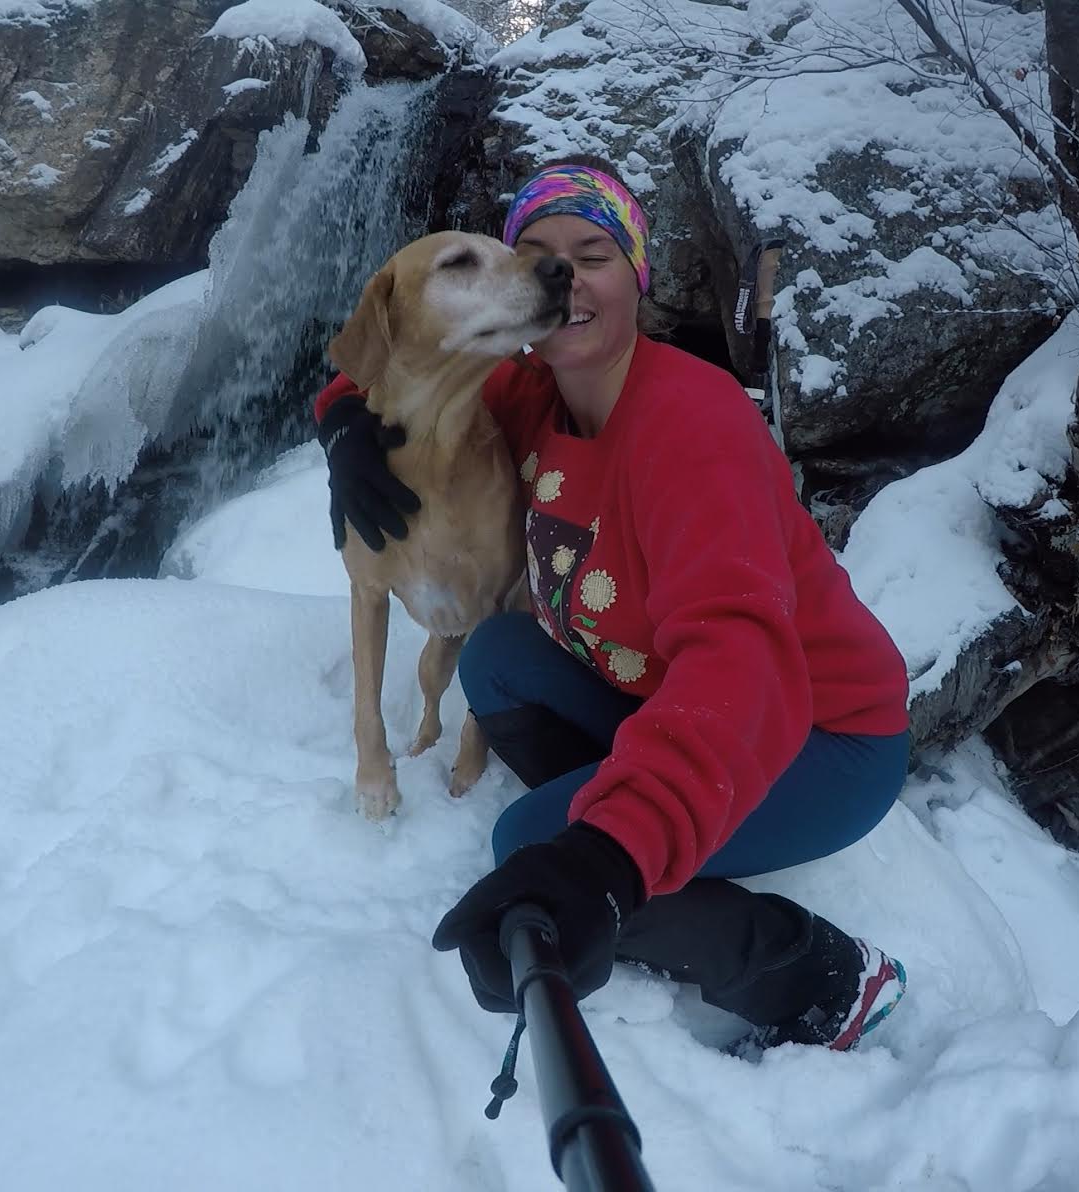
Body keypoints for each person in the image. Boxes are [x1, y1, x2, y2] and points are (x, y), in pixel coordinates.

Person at [313, 159, 913, 1055]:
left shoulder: (693, 427)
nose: (563, 273)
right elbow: (394, 359)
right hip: (664, 696)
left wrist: (609, 854)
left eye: (592, 253)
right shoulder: (533, 393)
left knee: (528, 846)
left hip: (812, 733)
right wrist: (341, 425)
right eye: (540, 253)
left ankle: (821, 975)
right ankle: (628, 800)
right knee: (497, 657)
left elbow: (742, 663)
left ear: (638, 276)